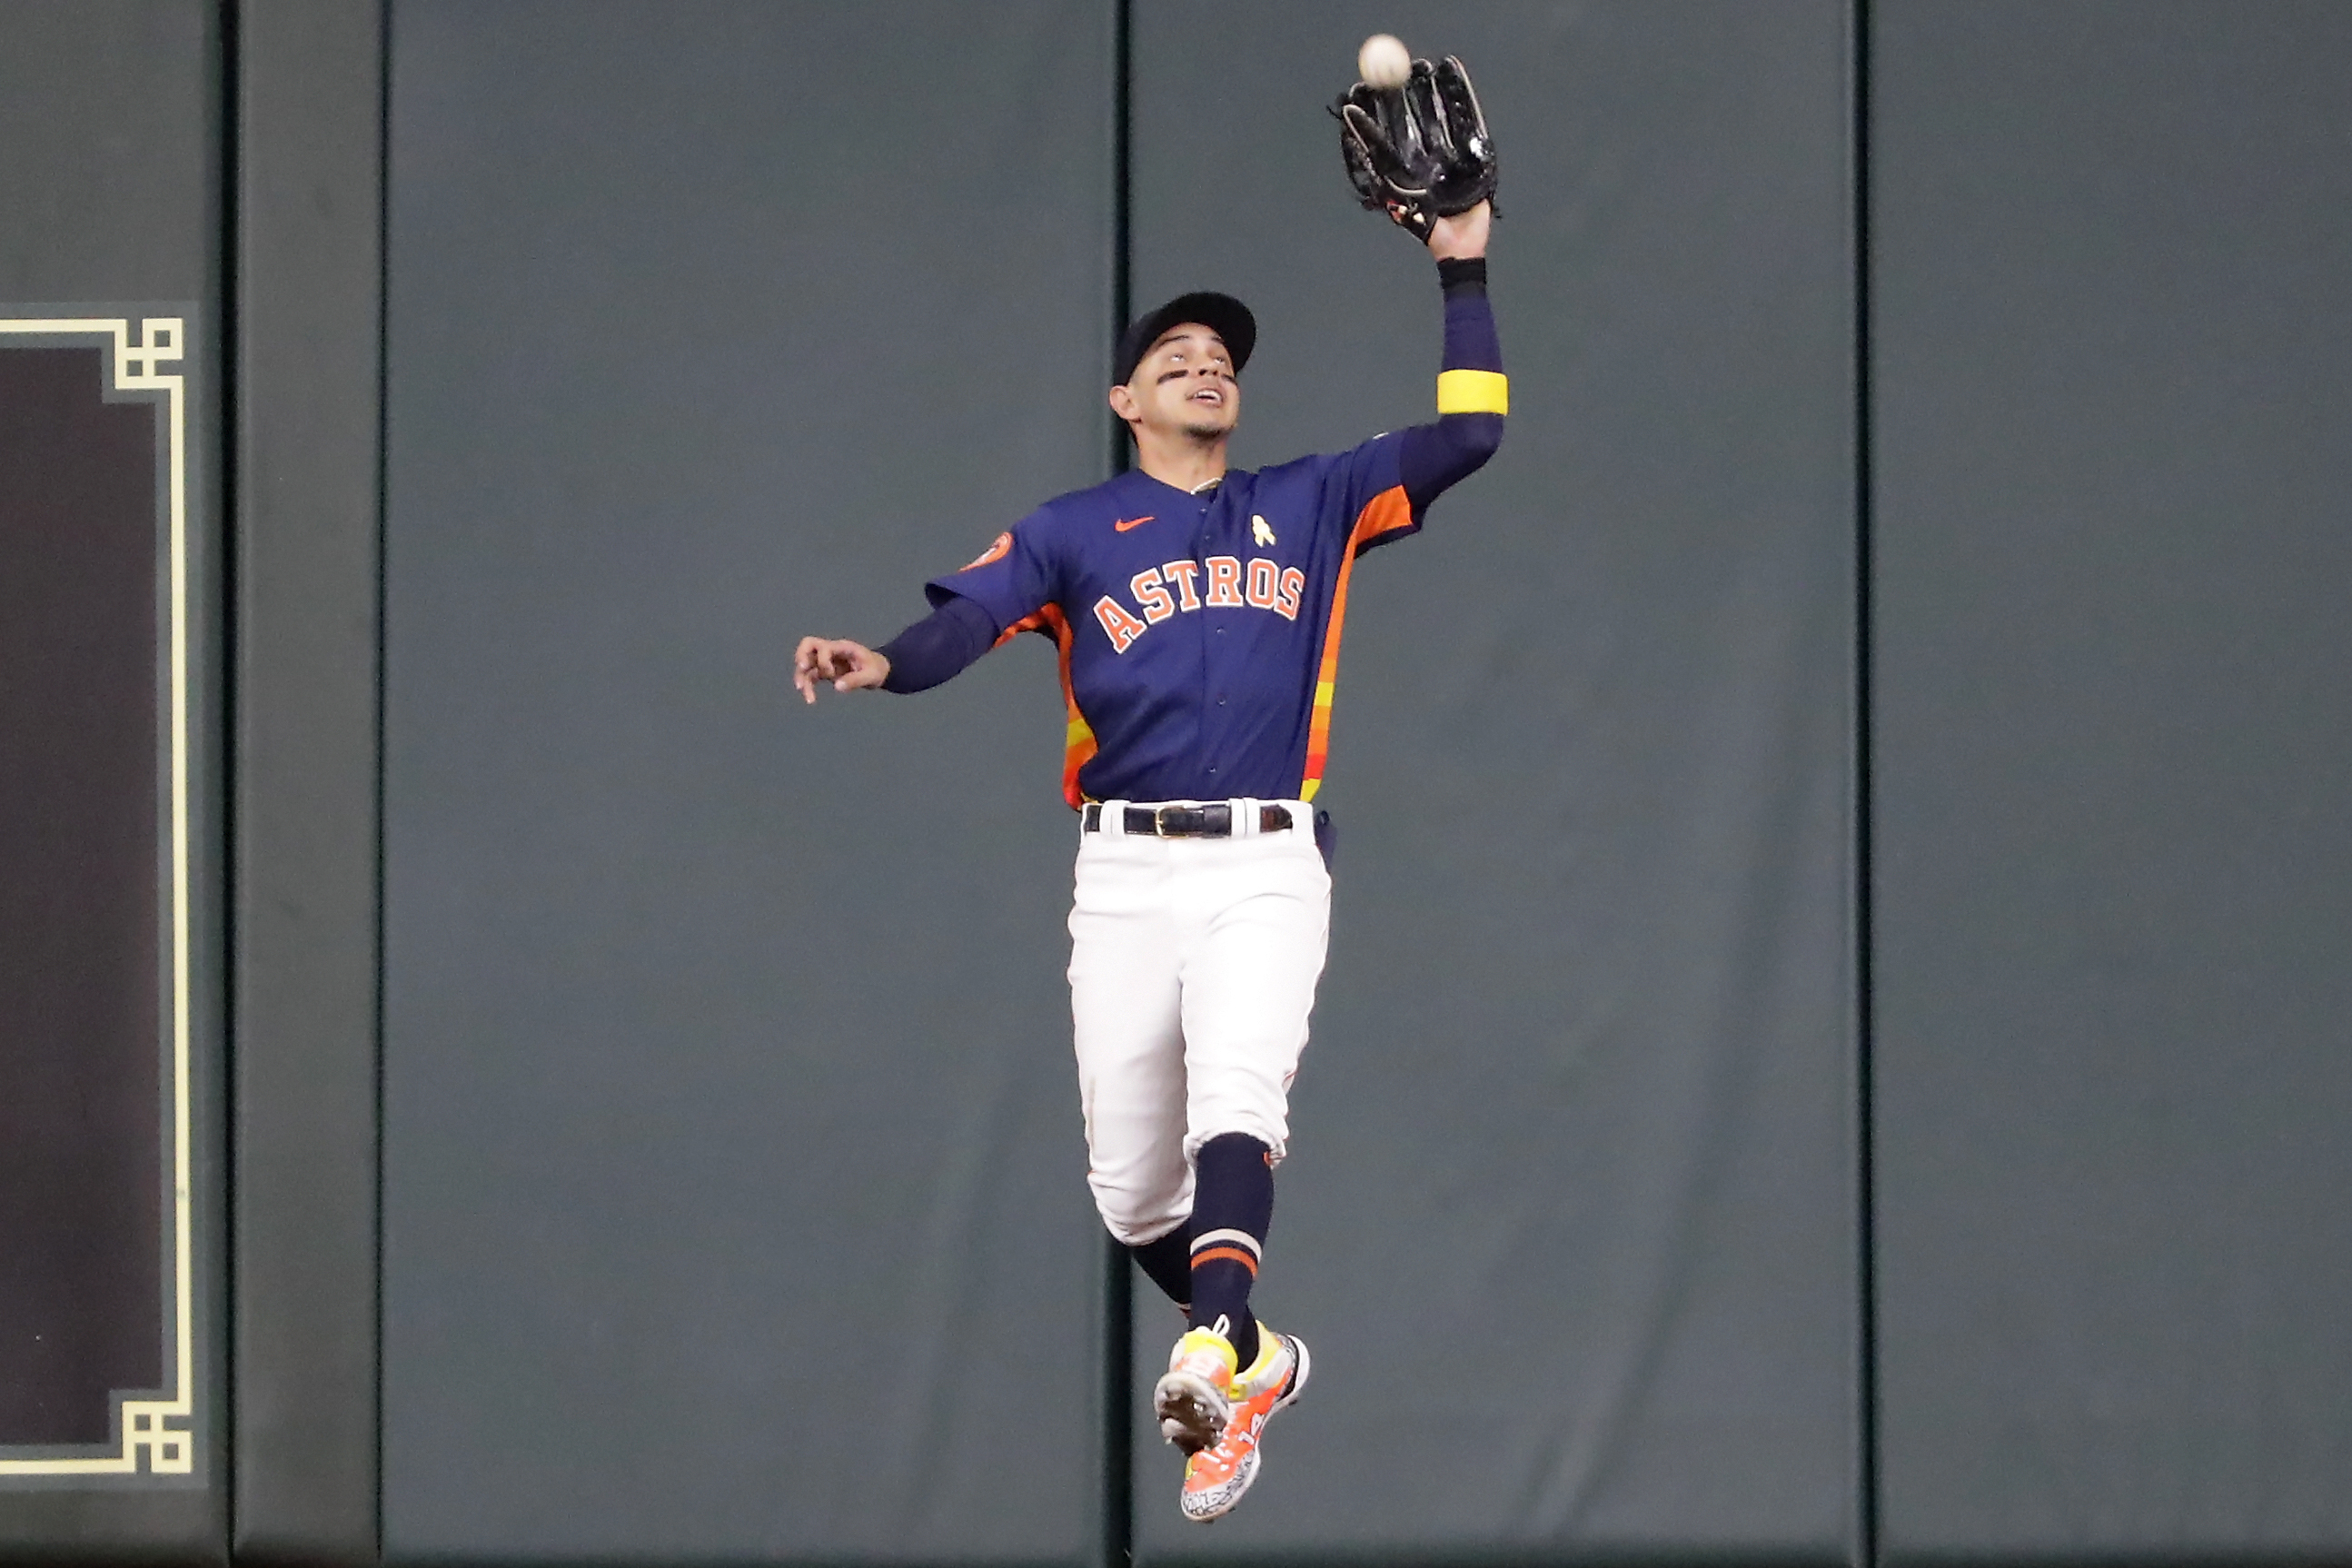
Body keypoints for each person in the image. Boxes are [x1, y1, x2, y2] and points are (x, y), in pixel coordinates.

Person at [793, 201, 1503, 1521]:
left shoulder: (1313, 496)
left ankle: (1203, 1341)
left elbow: (1470, 433)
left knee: (1240, 1095)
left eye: (1220, 352)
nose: (1201, 360)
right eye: (1172, 351)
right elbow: (970, 625)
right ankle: (1252, 1367)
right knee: (1129, 1192)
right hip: (1120, 871)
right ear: (1124, 395)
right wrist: (885, 662)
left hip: (1264, 861)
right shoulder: (1072, 528)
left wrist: (1460, 270)